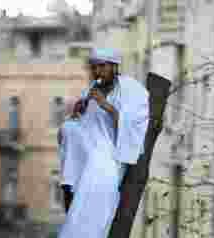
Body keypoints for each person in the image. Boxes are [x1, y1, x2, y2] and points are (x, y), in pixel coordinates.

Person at [57, 47, 149, 213]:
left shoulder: (132, 90)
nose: (97, 72)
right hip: (91, 145)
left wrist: (105, 105)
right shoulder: (91, 89)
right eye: (94, 67)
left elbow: (133, 127)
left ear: (114, 66)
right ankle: (69, 188)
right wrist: (79, 113)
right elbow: (87, 126)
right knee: (68, 128)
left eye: (102, 66)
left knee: (95, 168)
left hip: (113, 150)